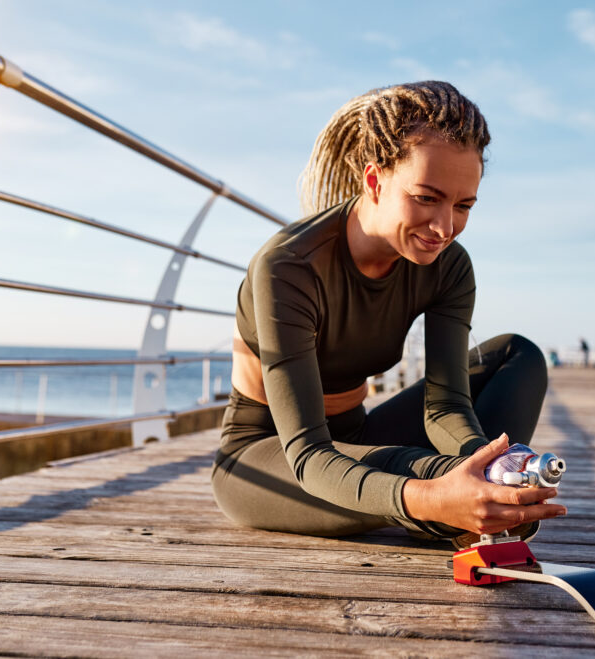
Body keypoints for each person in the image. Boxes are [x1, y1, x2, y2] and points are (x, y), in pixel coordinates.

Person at [211, 81, 567, 547]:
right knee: (412, 472)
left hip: (357, 432)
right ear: (374, 181)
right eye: (426, 197)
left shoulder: (449, 267)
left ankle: (479, 503)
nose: (444, 228)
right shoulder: (290, 267)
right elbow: (308, 452)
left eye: (463, 206)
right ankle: (456, 509)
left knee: (517, 356)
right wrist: (430, 491)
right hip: (271, 457)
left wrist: (483, 462)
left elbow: (445, 406)